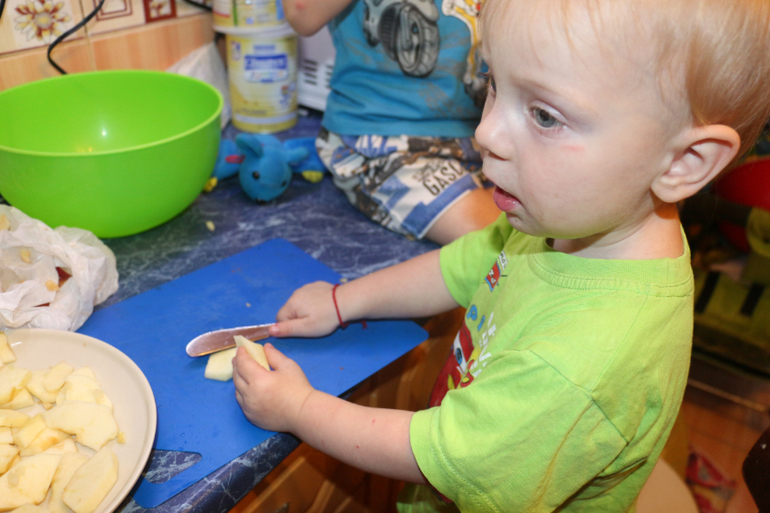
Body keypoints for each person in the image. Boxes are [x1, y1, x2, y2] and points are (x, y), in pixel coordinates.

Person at [232, 0, 770, 510]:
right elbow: (460, 266)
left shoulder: (581, 361)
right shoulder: (569, 220)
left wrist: (299, 409)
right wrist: (343, 301)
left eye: (544, 115)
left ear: (684, 163)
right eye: (493, 83)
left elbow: (444, 453)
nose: (485, 132)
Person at [282, 0, 500, 245]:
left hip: (484, 134)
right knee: (499, 240)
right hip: (381, 142)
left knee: (529, 227)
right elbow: (302, 12)